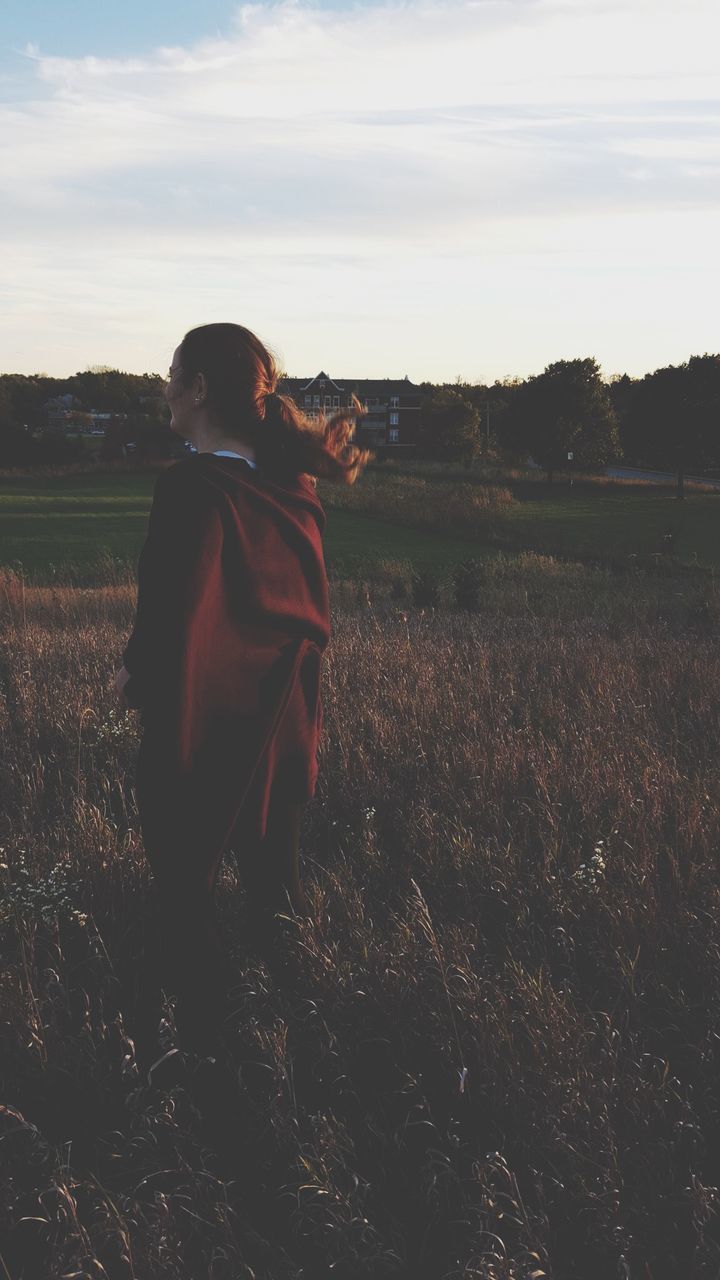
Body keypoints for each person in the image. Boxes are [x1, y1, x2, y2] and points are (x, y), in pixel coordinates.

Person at [114, 323, 371, 1073]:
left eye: (172, 373)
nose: (164, 387)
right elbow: (300, 606)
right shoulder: (293, 486)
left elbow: (170, 608)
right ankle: (305, 1040)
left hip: (202, 716)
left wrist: (135, 672)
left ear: (197, 390)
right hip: (284, 713)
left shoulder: (188, 485)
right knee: (276, 890)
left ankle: (205, 1058)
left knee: (187, 894)